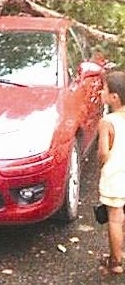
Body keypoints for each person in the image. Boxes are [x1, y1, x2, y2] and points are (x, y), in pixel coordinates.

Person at [98, 70, 125, 275]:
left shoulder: (107, 122)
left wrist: (102, 163)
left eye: (104, 89)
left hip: (116, 177)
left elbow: (103, 154)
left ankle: (115, 262)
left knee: (115, 218)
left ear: (114, 97)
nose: (101, 92)